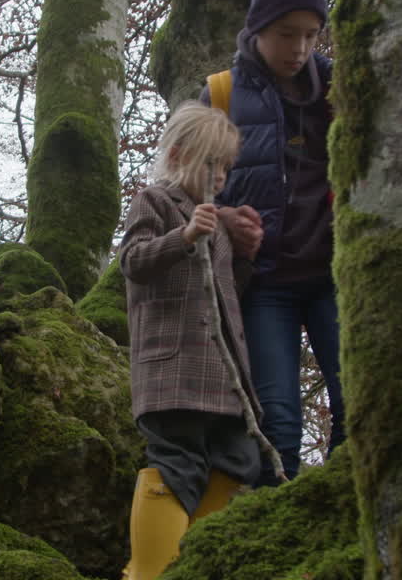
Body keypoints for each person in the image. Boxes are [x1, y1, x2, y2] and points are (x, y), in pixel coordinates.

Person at [201, 0, 346, 485]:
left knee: (360, 405)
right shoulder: (221, 95)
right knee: (277, 425)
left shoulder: (341, 88)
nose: (299, 48)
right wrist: (222, 218)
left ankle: (344, 513)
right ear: (258, 26)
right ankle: (279, 519)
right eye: (287, 33)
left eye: (311, 34)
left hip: (338, 276)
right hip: (266, 284)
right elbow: (181, 193)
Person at [118, 101, 264, 580]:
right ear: (179, 155)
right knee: (177, 463)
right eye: (211, 163)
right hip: (173, 372)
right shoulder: (155, 201)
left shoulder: (216, 224)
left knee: (240, 460)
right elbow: (134, 262)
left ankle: (192, 563)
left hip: (222, 377)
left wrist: (245, 257)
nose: (220, 176)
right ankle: (149, 571)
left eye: (226, 167)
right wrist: (182, 236)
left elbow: (224, 293)